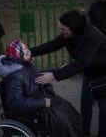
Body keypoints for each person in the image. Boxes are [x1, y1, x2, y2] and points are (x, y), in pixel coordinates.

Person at [29, 9, 106, 137]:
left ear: (73, 27)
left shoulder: (93, 36)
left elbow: (81, 63)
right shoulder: (69, 35)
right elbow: (51, 45)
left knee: (104, 110)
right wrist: (28, 52)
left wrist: (54, 75)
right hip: (90, 73)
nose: (61, 31)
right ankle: (84, 132)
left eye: (63, 29)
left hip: (103, 76)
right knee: (85, 104)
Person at [0, 39, 83, 137]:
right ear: (16, 53)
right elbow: (15, 102)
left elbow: (37, 75)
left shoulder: (24, 64)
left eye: (26, 48)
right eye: (23, 49)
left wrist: (57, 71)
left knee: (66, 108)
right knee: (62, 119)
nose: (28, 50)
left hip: (37, 99)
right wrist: (42, 102)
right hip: (32, 112)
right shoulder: (15, 77)